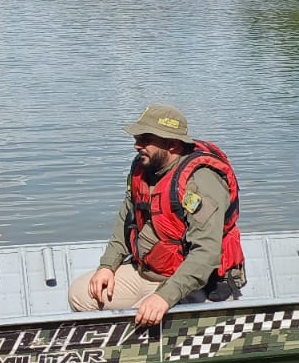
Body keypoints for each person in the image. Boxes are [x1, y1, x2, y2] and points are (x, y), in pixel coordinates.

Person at [68, 104, 244, 326]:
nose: (136, 145)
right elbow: (126, 220)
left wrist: (163, 297)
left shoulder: (201, 182)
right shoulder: (144, 167)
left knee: (137, 319)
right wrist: (107, 266)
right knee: (80, 295)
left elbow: (206, 253)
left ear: (172, 144)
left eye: (145, 139)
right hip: (149, 272)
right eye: (137, 138)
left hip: (194, 281)